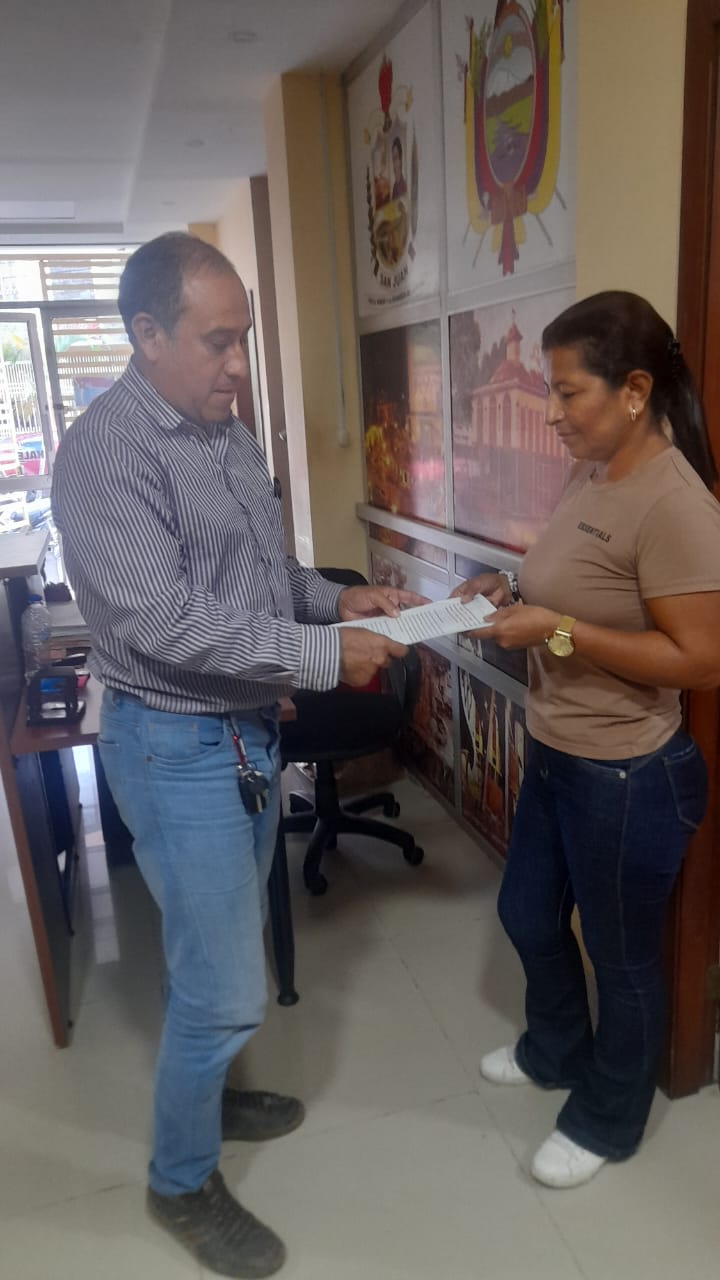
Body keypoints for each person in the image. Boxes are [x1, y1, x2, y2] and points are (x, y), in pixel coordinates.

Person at [51, 232, 424, 1277]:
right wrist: (324, 655)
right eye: (218, 342)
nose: (238, 365)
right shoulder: (106, 455)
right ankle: (180, 1181)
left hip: (244, 732)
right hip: (176, 743)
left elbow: (259, 572)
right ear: (147, 334)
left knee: (216, 948)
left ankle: (210, 1094)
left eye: (243, 339)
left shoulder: (225, 430)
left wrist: (334, 599)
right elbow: (167, 621)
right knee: (222, 990)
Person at [453, 290, 720, 1189]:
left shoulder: (675, 503)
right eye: (551, 392)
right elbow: (575, 581)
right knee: (527, 914)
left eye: (569, 393)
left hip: (628, 775)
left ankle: (610, 1119)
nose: (554, 413)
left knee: (623, 958)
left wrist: (557, 631)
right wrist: (508, 587)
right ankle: (556, 1050)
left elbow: (701, 660)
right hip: (557, 751)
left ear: (634, 391)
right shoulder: (594, 471)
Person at [391, 137, 407, 201]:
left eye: (395, 158)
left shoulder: (403, 186)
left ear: (401, 160)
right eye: (393, 159)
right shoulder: (395, 186)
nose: (393, 163)